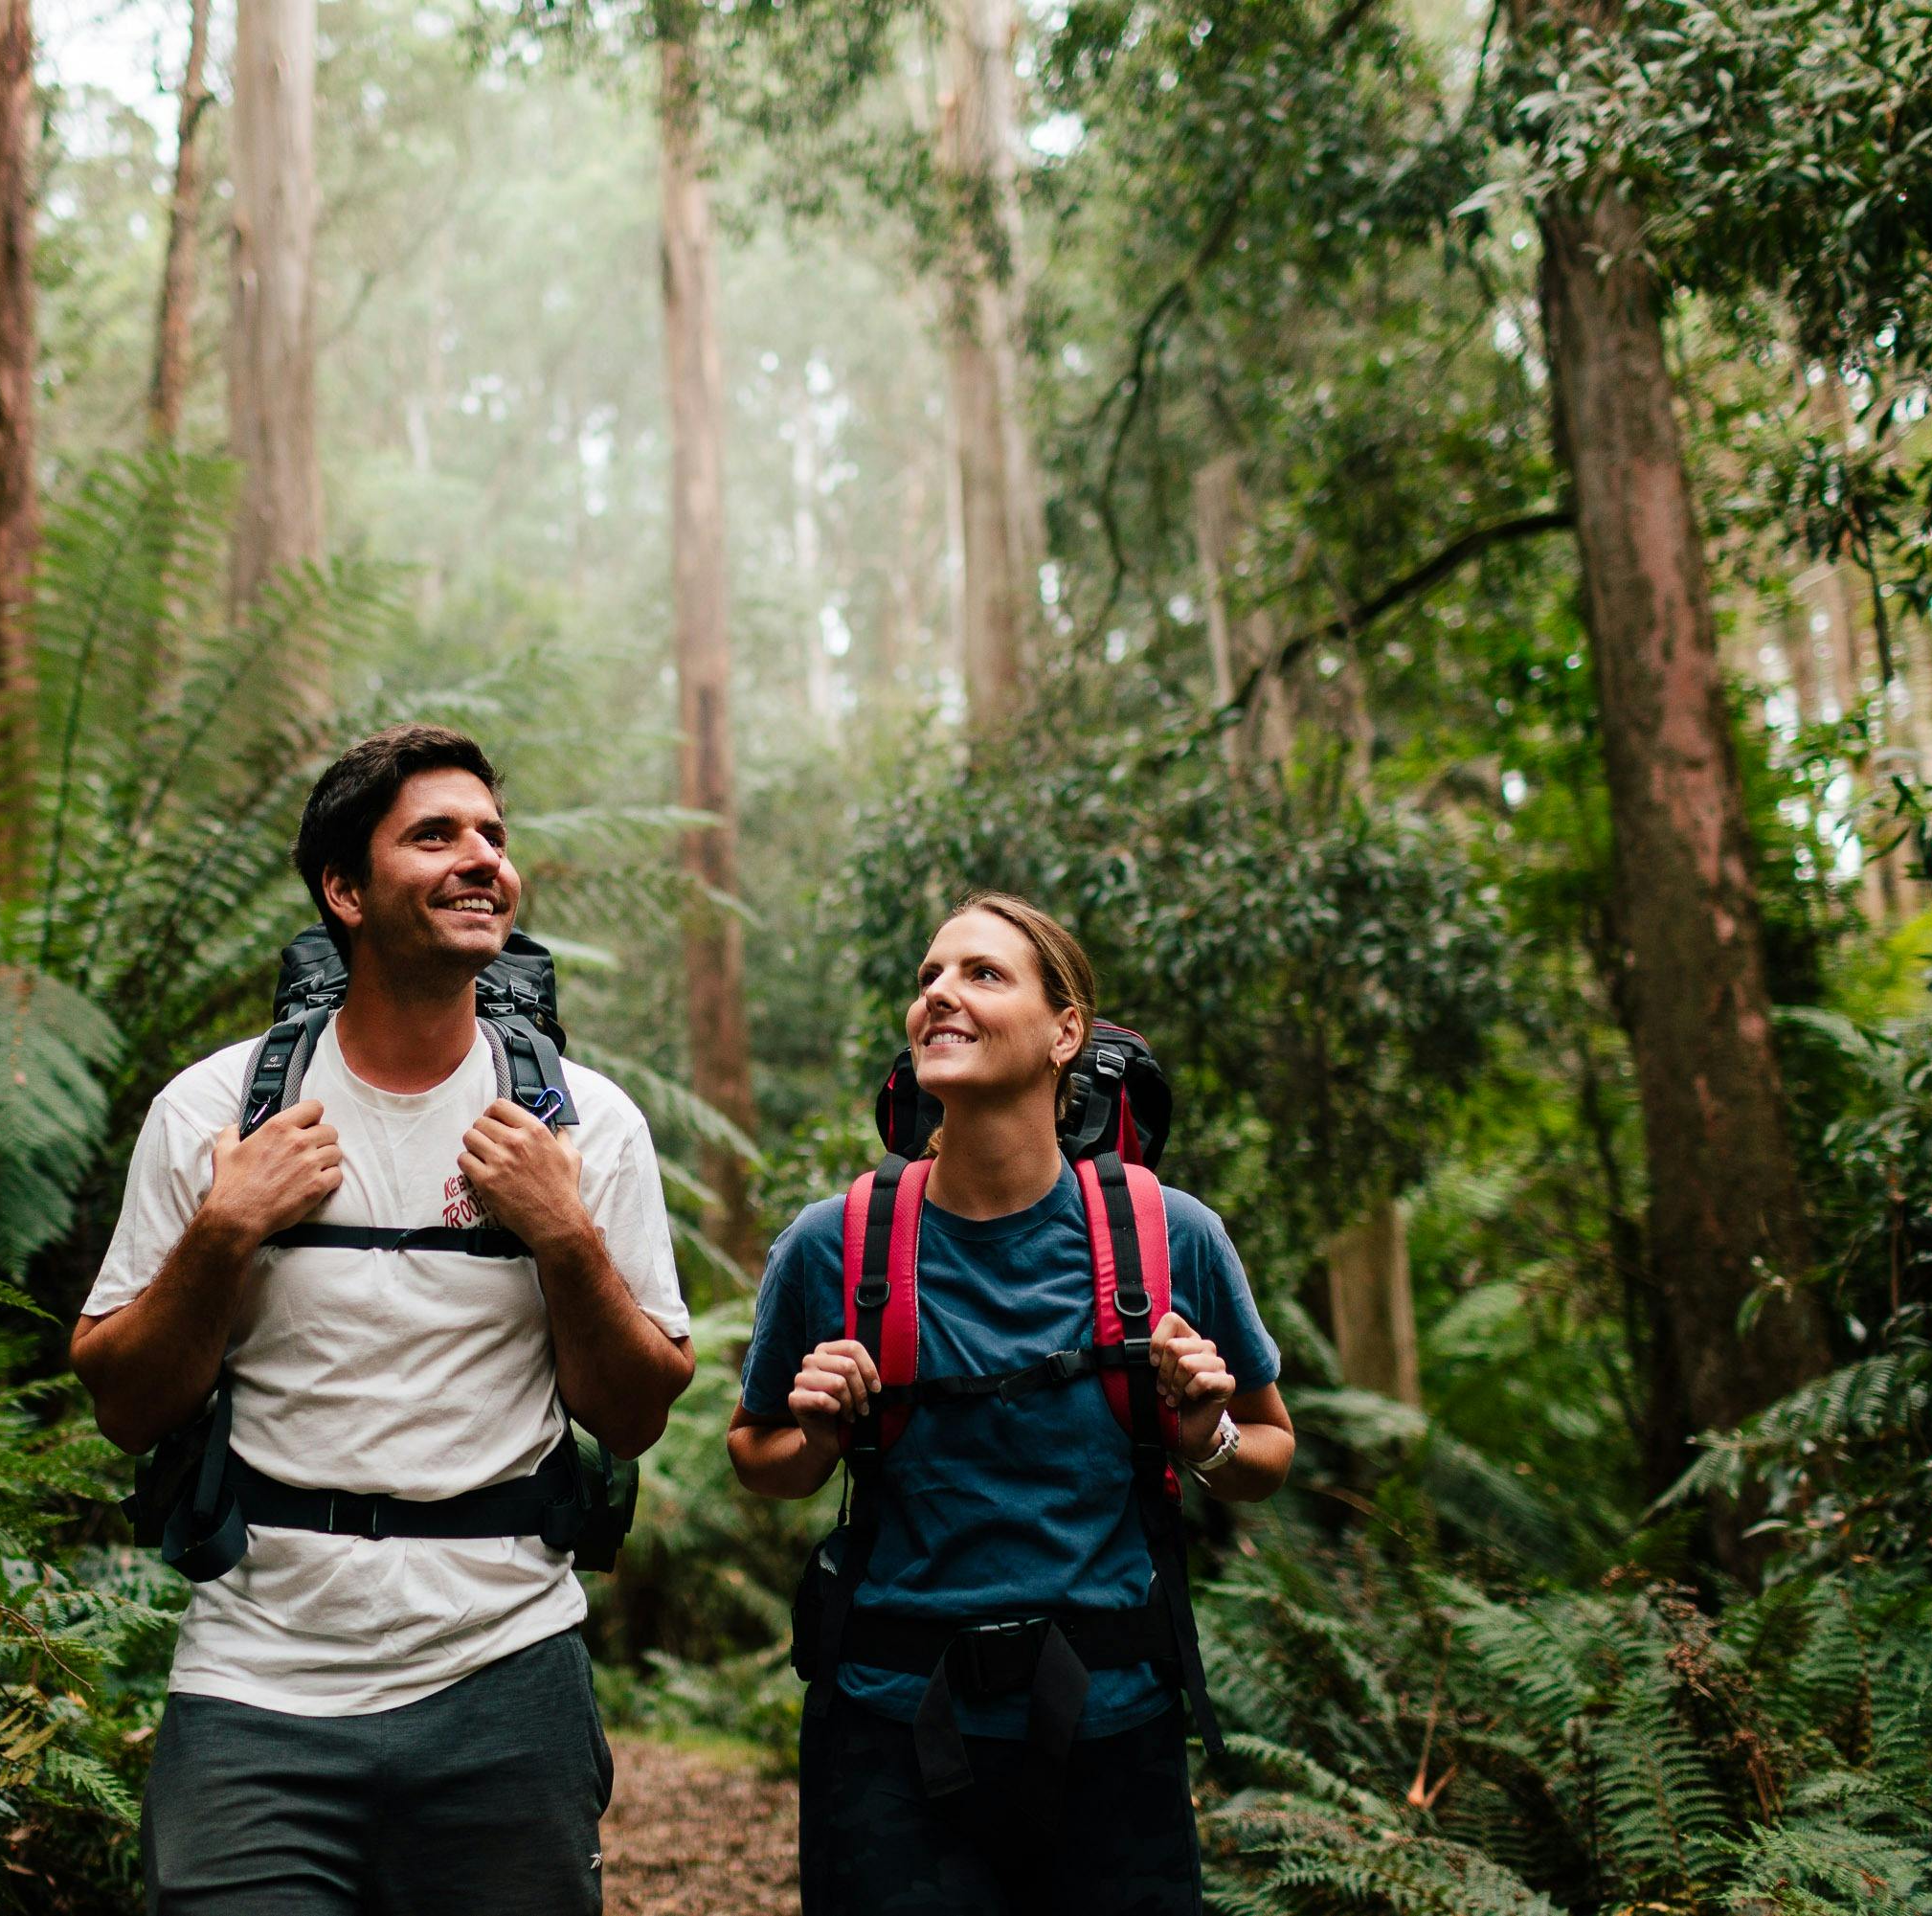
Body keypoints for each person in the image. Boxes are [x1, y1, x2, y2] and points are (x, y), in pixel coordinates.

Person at [72, 725, 696, 1916]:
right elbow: (124, 1404)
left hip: (507, 1670)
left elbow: (634, 1414)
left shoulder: (584, 1125)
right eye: (436, 835)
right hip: (255, 1686)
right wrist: (226, 1228)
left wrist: (564, 1234)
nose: (483, 859)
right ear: (345, 892)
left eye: (494, 836)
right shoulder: (214, 1112)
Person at [729, 893, 1293, 1916]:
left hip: (1116, 1735)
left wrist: (1202, 1434)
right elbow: (755, 1454)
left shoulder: (1172, 1238)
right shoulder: (832, 1245)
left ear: (1064, 1032)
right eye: (929, 978)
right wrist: (814, 1438)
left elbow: (1268, 1452)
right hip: (887, 1737)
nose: (939, 994)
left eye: (982, 973)